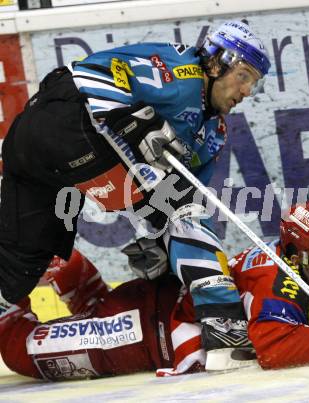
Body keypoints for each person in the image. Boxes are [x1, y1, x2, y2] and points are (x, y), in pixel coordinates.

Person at [0, 20, 271, 363]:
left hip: (39, 156)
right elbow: (87, 75)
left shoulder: (212, 135)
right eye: (244, 76)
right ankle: (226, 327)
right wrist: (134, 118)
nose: (246, 91)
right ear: (216, 62)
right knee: (179, 203)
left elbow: (185, 212)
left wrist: (159, 247)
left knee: (18, 266)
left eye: (254, 84)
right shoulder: (180, 70)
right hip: (63, 122)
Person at [0, 200, 309, 380]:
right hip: (137, 333)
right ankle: (19, 258)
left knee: (94, 304)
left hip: (151, 309)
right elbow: (274, 347)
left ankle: (62, 267)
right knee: (17, 348)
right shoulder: (279, 282)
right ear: (296, 255)